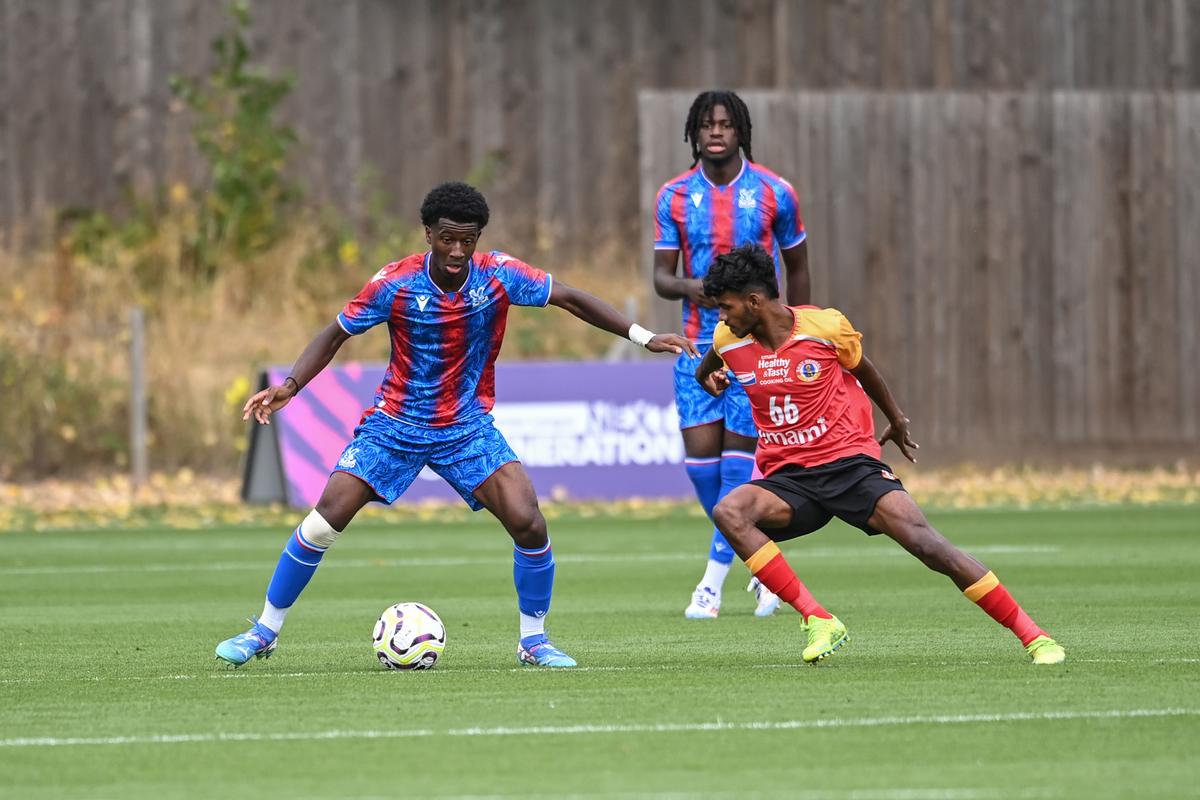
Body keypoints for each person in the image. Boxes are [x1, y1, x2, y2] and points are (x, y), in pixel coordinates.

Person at [215, 181, 696, 669]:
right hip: (394, 424)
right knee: (323, 521)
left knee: (529, 521)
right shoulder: (395, 284)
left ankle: (533, 640)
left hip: (465, 426)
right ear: (428, 234)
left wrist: (644, 335)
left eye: (468, 240)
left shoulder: (499, 276)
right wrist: (291, 386)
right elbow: (336, 333)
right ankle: (264, 630)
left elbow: (569, 298)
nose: (458, 251)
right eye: (448, 239)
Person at [695, 244, 1066, 665]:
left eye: (725, 307)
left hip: (850, 465)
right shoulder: (729, 341)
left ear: (754, 301)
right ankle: (819, 619)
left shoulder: (825, 327)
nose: (721, 318)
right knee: (731, 511)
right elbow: (705, 367)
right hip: (790, 480)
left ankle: (1035, 636)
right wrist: (711, 378)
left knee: (928, 545)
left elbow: (864, 369)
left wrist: (897, 419)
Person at [652, 90, 811, 619]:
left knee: (738, 470)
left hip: (757, 347)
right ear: (693, 133)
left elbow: (798, 268)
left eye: (725, 123)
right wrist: (690, 288)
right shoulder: (673, 196)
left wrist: (796, 330)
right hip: (696, 343)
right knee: (701, 468)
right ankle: (760, 563)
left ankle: (711, 583)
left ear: (740, 130)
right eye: (706, 124)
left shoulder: (775, 192)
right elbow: (660, 279)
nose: (715, 132)